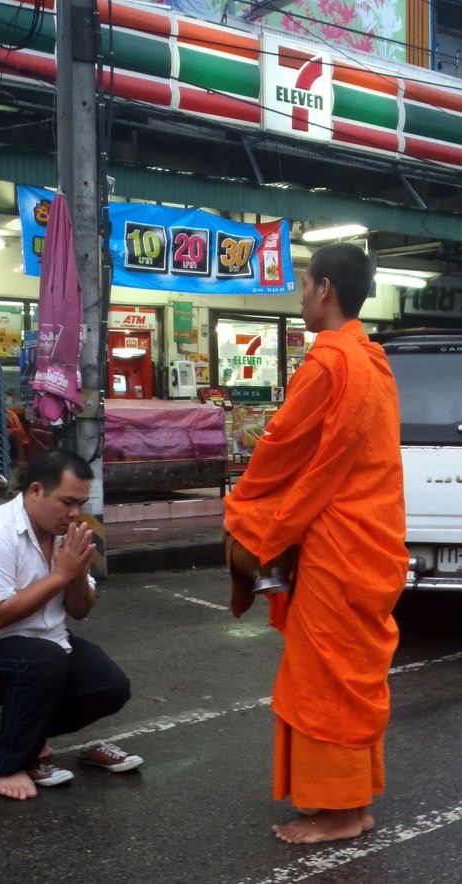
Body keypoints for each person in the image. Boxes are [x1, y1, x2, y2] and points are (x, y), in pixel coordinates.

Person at [224, 243, 408, 844]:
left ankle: (339, 812)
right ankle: (352, 803)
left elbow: (281, 451)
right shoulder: (372, 361)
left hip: (337, 546)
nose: (300, 297)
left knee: (325, 677)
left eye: (304, 285)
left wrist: (246, 510)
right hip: (371, 540)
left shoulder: (330, 365)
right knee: (350, 672)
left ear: (325, 289)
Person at [0, 449, 143, 800]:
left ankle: (28, 736)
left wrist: (77, 576)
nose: (74, 514)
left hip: (49, 647)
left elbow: (80, 611)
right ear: (35, 490)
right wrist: (60, 575)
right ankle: (7, 763)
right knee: (42, 660)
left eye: (80, 503)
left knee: (110, 686)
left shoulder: (69, 534)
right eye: (67, 502)